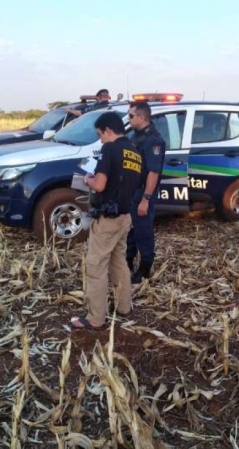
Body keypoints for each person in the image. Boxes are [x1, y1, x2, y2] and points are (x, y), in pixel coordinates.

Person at [71, 112, 143, 330]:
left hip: (108, 219)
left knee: (96, 266)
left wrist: (87, 179)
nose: (100, 139)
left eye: (100, 134)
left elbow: (100, 185)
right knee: (119, 262)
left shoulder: (109, 148)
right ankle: (124, 307)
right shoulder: (134, 152)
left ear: (108, 130)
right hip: (125, 217)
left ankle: (95, 318)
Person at [126, 101, 166, 284]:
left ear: (142, 117)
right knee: (130, 232)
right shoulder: (135, 136)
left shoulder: (153, 140)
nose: (129, 118)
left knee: (143, 232)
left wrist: (146, 199)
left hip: (142, 193)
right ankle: (127, 264)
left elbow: (153, 172)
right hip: (131, 191)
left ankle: (144, 269)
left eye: (131, 115)